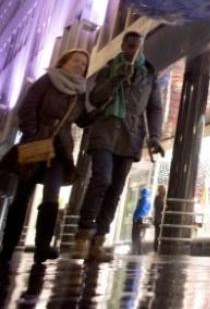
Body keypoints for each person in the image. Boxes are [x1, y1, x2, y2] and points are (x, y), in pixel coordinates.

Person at [71, 31, 164, 262]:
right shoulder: (109, 69)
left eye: (137, 46)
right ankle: (83, 234)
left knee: (116, 189)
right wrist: (116, 79)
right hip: (105, 129)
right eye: (129, 45)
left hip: (131, 136)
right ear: (123, 45)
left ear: (142, 48)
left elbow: (154, 108)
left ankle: (99, 240)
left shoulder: (149, 74)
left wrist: (154, 136)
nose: (133, 50)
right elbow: (95, 98)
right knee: (102, 178)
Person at [0, 50, 97, 265]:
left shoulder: (79, 91)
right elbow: (27, 109)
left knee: (51, 194)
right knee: (22, 195)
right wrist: (34, 134)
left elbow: (80, 120)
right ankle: (8, 246)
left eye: (84, 64)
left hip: (60, 149)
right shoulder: (47, 80)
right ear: (64, 62)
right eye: (76, 61)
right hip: (36, 143)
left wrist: (97, 113)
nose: (80, 66)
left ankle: (42, 246)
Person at [131, 187, 152, 255]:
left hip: (138, 219)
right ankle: (140, 250)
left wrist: (135, 218)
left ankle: (135, 250)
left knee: (135, 234)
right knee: (141, 235)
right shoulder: (149, 200)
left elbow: (140, 209)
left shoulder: (143, 199)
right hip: (144, 219)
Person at [153, 184, 166, 253]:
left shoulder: (160, 198)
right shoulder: (159, 198)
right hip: (159, 220)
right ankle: (156, 249)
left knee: (157, 235)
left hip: (159, 219)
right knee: (157, 235)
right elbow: (160, 207)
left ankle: (157, 248)